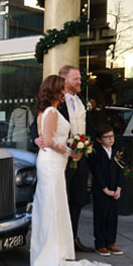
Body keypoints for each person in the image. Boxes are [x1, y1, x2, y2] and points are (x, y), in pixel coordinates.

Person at [30, 75, 114, 266]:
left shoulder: (48, 111)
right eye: (61, 89)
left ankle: (55, 252)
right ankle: (49, 256)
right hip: (51, 163)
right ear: (55, 91)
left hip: (54, 163)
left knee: (56, 205)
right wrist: (70, 151)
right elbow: (49, 141)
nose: (64, 92)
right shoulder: (50, 111)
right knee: (51, 206)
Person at [30, 65, 96, 253]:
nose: (80, 81)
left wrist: (93, 144)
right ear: (64, 80)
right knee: (58, 201)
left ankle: (71, 238)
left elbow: (88, 126)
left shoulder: (80, 100)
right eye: (76, 78)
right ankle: (55, 244)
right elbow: (37, 127)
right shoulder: (52, 107)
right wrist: (37, 138)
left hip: (79, 157)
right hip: (59, 159)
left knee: (78, 198)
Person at [89, 123, 125, 257]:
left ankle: (111, 242)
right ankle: (100, 244)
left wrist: (119, 188)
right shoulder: (96, 153)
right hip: (101, 191)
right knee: (101, 216)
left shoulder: (116, 152)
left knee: (112, 217)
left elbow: (121, 170)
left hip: (115, 190)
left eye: (112, 136)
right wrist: (105, 189)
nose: (111, 139)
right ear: (99, 139)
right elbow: (96, 172)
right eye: (107, 137)